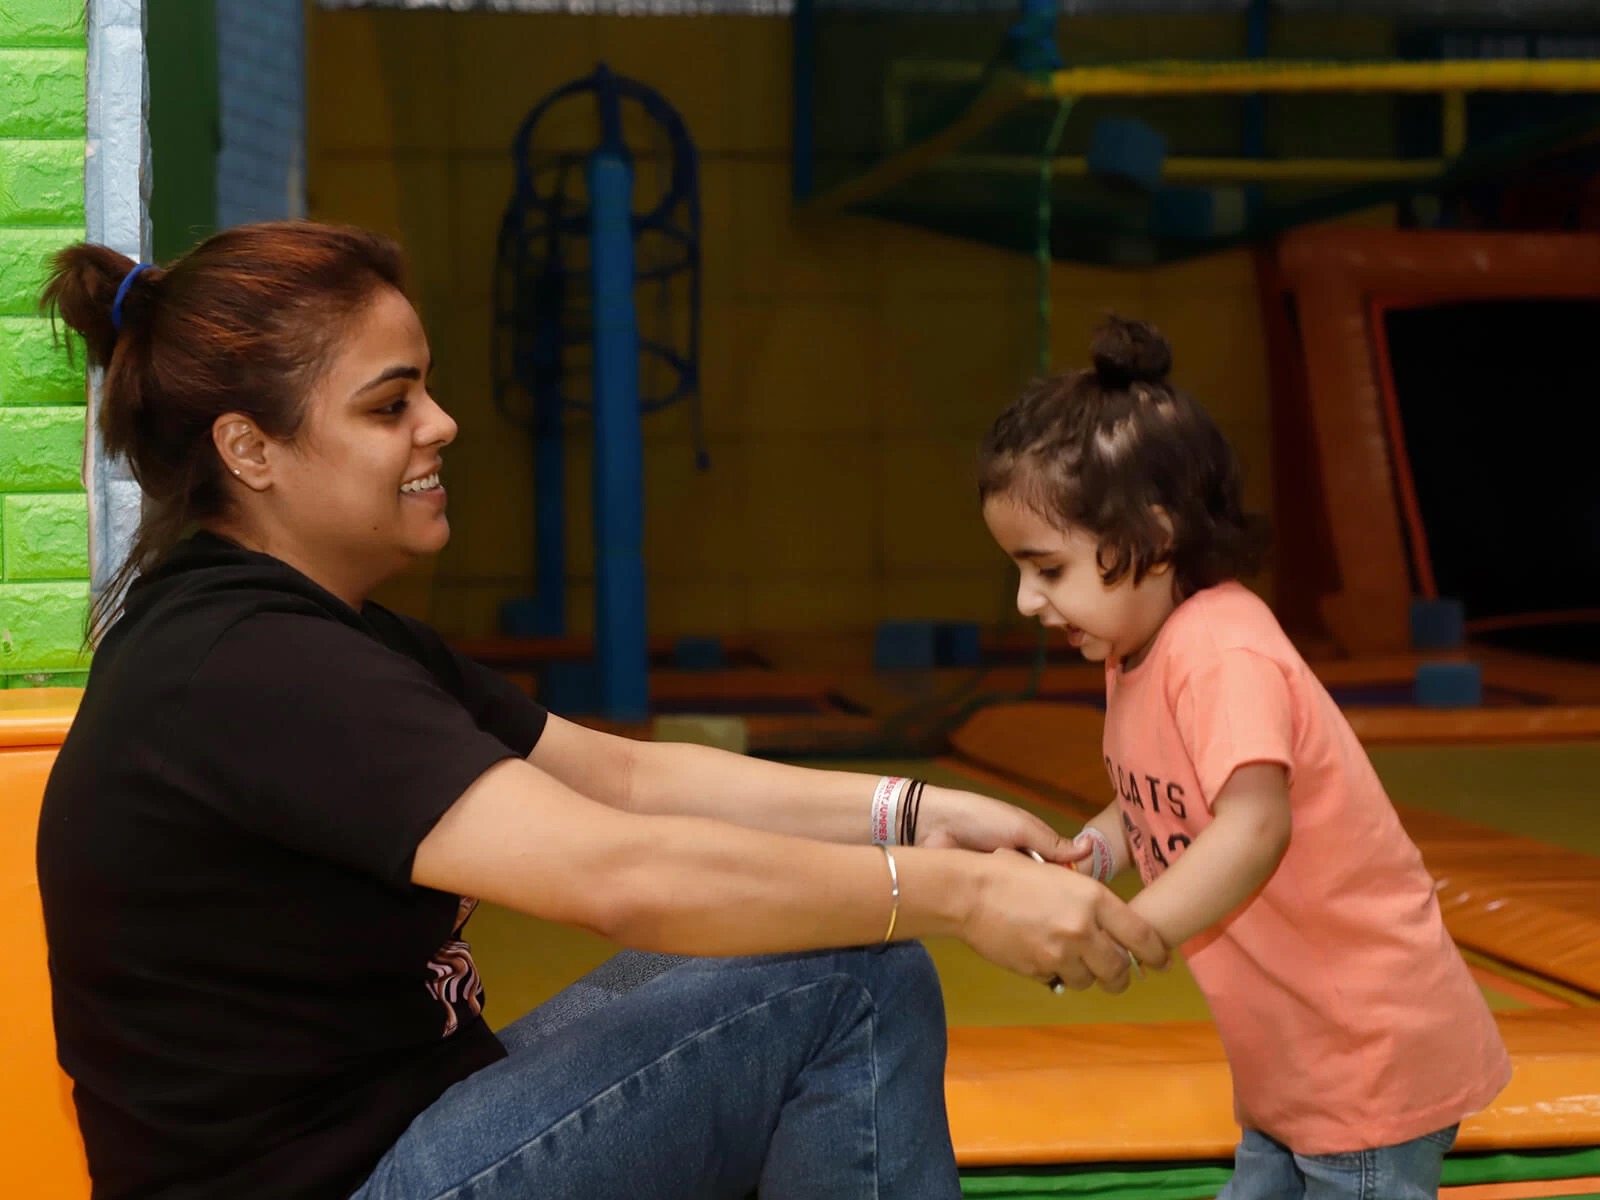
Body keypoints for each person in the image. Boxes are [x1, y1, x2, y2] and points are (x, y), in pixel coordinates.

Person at [34, 222, 1169, 1200]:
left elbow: (625, 779)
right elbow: (613, 872)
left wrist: (915, 816)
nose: (441, 425)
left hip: (410, 1134)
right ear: (250, 449)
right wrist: (959, 897)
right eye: (391, 405)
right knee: (848, 976)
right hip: (356, 1180)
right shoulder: (251, 665)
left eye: (423, 387)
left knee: (825, 943)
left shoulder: (314, 631)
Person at [977, 316, 1511, 1200]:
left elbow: (1255, 825)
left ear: (1150, 537)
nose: (1028, 600)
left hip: (1363, 1050)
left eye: (1047, 569)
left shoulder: (1221, 650)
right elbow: (1156, 797)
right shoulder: (1130, 651)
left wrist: (1133, 929)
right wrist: (1099, 853)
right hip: (1292, 1055)